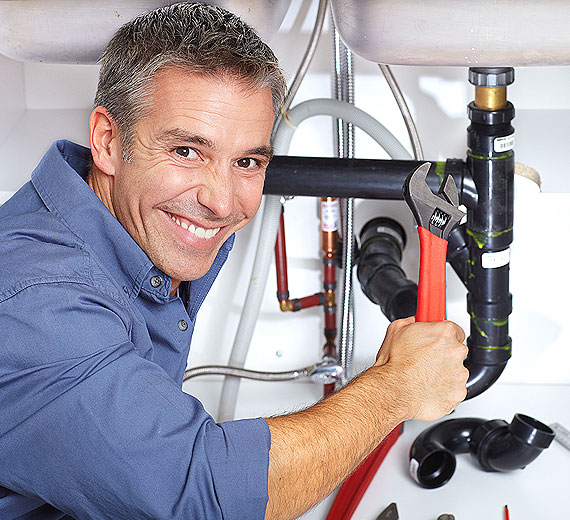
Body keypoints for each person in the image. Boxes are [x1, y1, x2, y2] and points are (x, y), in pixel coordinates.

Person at [0, 3, 469, 519]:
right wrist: (393, 389)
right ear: (108, 142)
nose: (222, 203)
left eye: (247, 161)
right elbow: (204, 497)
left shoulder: (130, 228)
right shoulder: (37, 305)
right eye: (186, 151)